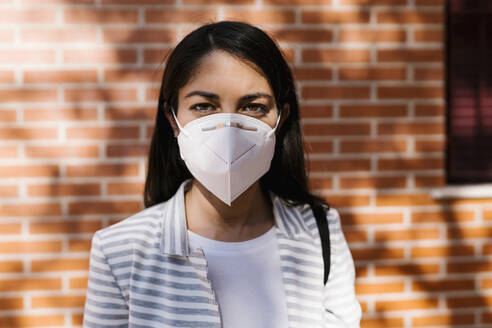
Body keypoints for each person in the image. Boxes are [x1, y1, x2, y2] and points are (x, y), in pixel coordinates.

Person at [82, 20, 361, 328]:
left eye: (253, 107)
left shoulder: (320, 232)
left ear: (281, 118)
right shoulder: (119, 251)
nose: (228, 128)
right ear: (172, 119)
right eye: (204, 106)